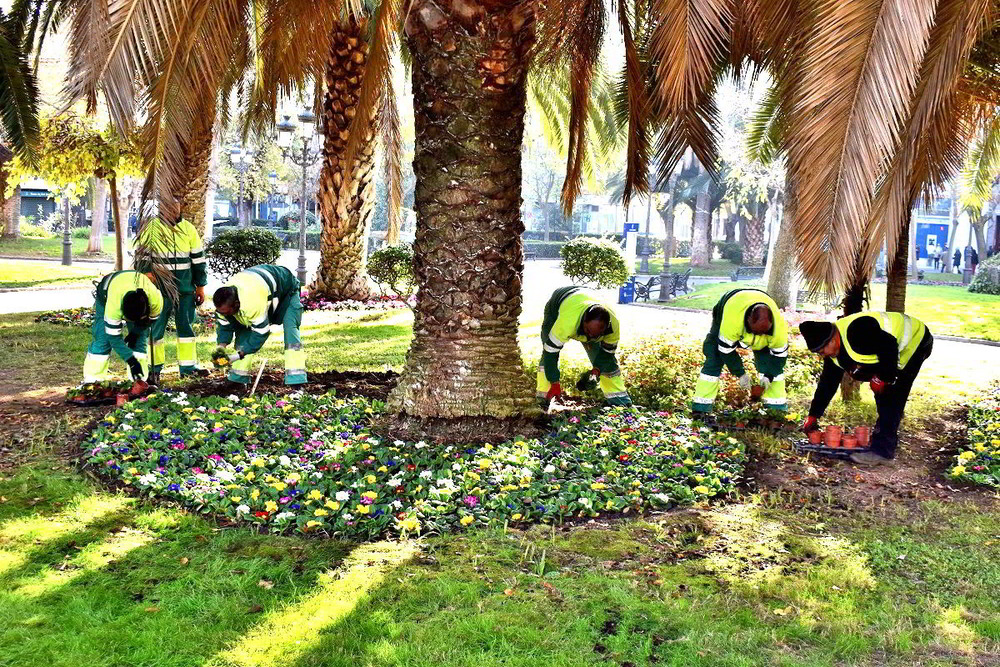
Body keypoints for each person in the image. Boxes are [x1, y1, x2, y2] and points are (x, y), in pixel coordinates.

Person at [800, 312, 933, 466]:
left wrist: (883, 378)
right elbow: (827, 385)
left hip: (915, 341)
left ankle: (883, 452)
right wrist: (813, 415)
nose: (823, 356)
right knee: (884, 395)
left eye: (822, 351)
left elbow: (889, 345)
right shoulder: (834, 354)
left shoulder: (858, 331)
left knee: (892, 394)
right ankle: (888, 427)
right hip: (890, 350)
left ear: (832, 339)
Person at [692, 288, 789, 415]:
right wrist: (740, 374)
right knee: (714, 357)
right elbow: (726, 351)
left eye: (763, 333)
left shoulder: (779, 330)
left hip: (761, 300)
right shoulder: (731, 322)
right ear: (749, 319)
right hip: (729, 301)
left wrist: (769, 375)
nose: (759, 336)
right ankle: (701, 409)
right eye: (756, 332)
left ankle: (775, 411)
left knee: (769, 363)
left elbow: (779, 357)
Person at [137, 215, 208, 383]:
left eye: (176, 205)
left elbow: (198, 259)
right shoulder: (151, 227)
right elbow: (142, 255)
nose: (172, 208)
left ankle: (188, 368)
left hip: (185, 290)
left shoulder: (188, 228)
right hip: (158, 291)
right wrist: (145, 273)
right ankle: (153, 370)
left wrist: (200, 286)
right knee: (156, 329)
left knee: (186, 330)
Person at [537, 287, 631, 409]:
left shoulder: (613, 327)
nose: (590, 337)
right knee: (548, 355)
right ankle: (542, 400)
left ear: (605, 328)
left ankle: (620, 402)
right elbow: (550, 353)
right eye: (588, 331)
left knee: (608, 364)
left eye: (596, 335)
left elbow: (607, 354)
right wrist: (554, 383)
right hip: (558, 304)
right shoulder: (567, 323)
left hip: (586, 299)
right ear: (584, 319)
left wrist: (596, 371)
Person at [213, 264, 306, 385]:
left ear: (237, 304)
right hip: (262, 288)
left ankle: (296, 379)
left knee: (290, 329)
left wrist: (236, 356)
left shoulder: (252, 303)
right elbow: (224, 327)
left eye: (227, 313)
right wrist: (220, 349)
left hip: (287, 289)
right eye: (221, 312)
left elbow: (260, 333)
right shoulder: (223, 302)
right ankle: (237, 378)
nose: (224, 314)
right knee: (243, 329)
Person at [83, 270, 163, 390]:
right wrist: (131, 360)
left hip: (134, 290)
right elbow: (113, 338)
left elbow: (150, 321)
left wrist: (136, 332)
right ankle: (92, 382)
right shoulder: (113, 307)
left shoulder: (156, 301)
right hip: (107, 291)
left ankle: (139, 383)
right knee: (103, 339)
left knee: (139, 340)